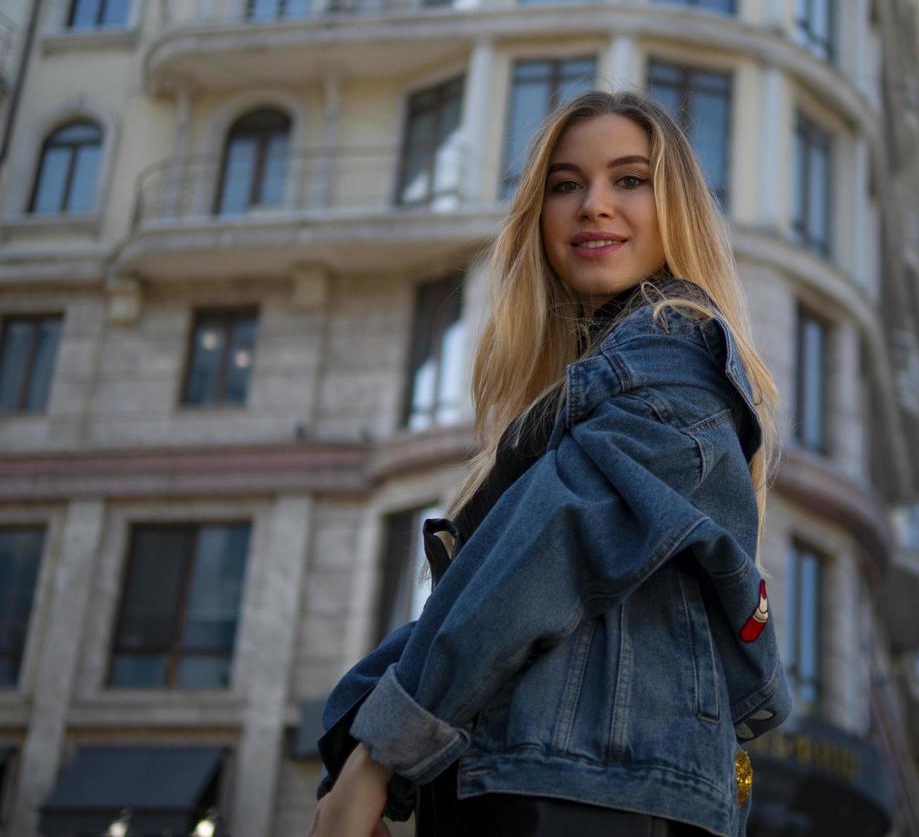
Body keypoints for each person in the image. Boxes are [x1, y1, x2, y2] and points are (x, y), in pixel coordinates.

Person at [309, 90, 791, 837]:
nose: (593, 205)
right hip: (549, 785)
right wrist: (353, 744)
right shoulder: (582, 389)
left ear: (678, 210)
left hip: (590, 798)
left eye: (629, 179)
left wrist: (378, 756)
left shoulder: (671, 348)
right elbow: (473, 596)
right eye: (566, 185)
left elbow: (545, 552)